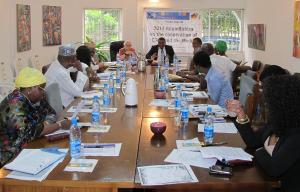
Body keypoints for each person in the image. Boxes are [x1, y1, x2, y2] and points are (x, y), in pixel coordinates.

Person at [227, 75, 300, 192]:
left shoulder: (296, 135)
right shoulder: (277, 121)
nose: (266, 105)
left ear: (283, 103)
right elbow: (253, 141)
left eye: (269, 102)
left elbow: (273, 167)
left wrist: (258, 151)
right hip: (263, 179)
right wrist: (241, 114)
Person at [0, 67, 70, 168]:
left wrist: (44, 125)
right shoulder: (14, 105)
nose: (43, 91)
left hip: (30, 146)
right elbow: (31, 132)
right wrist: (60, 125)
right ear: (29, 89)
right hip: (10, 157)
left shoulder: (36, 98)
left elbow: (51, 113)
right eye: (41, 88)